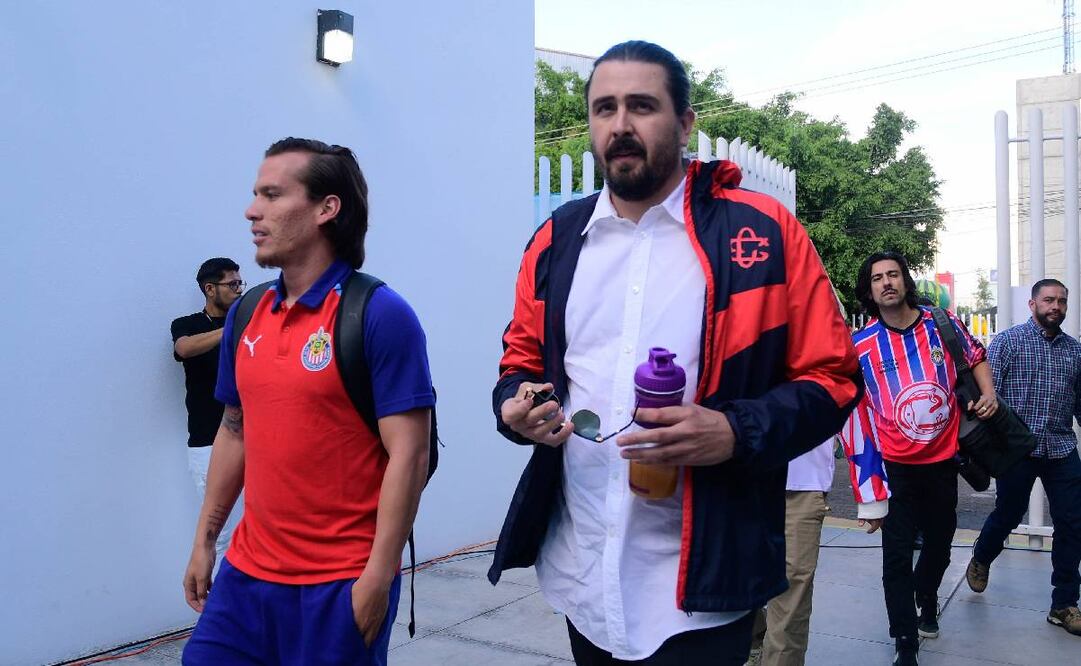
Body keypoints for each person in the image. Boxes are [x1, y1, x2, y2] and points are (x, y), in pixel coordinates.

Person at [488, 40, 862, 666]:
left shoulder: (764, 234)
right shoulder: (556, 240)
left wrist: (734, 431)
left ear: (686, 123)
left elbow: (835, 377)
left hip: (702, 582)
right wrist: (515, 406)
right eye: (604, 108)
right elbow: (519, 360)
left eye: (642, 106)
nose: (621, 125)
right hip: (582, 570)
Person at [181, 138, 435, 666]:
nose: (253, 210)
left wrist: (376, 580)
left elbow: (410, 455)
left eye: (272, 195)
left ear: (326, 208)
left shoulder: (380, 315)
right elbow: (234, 428)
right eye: (256, 194)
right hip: (247, 576)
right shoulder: (248, 313)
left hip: (338, 582)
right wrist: (206, 539)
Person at [839, 251, 997, 666]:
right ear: (869, 290)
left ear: (906, 283)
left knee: (941, 545)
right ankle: (905, 639)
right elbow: (852, 409)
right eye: (877, 278)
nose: (886, 282)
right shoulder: (860, 346)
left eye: (893, 275)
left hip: (944, 461)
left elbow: (977, 356)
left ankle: (927, 592)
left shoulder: (940, 325)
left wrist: (989, 394)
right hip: (894, 469)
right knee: (895, 556)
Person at [966, 278, 1081, 636]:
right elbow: (989, 394)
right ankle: (982, 555)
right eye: (1049, 300)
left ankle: (1064, 604)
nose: (1056, 307)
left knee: (1073, 521)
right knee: (1009, 513)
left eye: (1062, 301)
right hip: (1018, 448)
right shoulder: (1008, 343)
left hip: (1061, 447)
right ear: (1032, 304)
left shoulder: (1074, 351)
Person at [171, 257, 245, 559]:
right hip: (207, 446)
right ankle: (214, 607)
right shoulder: (186, 324)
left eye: (241, 283)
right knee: (221, 536)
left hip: (252, 441)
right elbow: (184, 348)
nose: (239, 289)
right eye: (232, 284)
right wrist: (230, 330)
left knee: (256, 530)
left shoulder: (248, 325)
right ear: (210, 289)